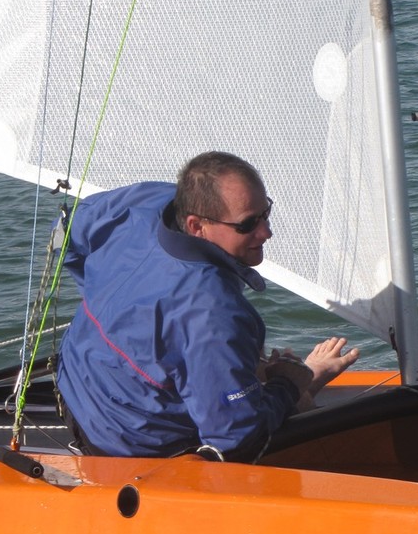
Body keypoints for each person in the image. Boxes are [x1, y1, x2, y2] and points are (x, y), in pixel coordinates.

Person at [55, 151, 359, 460]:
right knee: (278, 411)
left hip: (73, 388)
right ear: (196, 226)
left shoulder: (146, 200)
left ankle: (256, 374)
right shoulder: (213, 312)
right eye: (248, 224)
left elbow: (65, 232)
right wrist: (289, 386)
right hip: (128, 444)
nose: (266, 232)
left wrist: (108, 302)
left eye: (266, 212)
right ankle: (303, 376)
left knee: (219, 355)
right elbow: (238, 438)